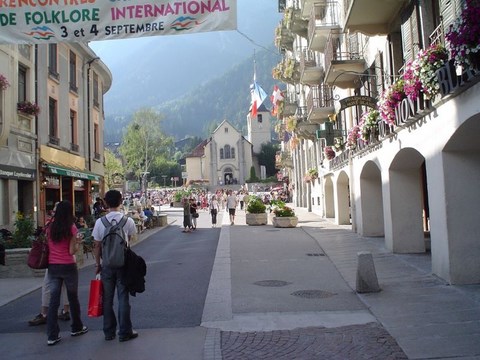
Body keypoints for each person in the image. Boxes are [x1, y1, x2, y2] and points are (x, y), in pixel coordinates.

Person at [92, 190, 138, 342]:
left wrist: (98, 264)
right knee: (123, 297)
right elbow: (131, 240)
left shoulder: (100, 222)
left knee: (107, 299)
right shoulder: (127, 221)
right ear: (121, 201)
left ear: (105, 202)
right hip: (123, 264)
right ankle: (125, 332)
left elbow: (97, 245)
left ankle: (108, 332)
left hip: (107, 265)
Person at [46, 200, 88, 346]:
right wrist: (78, 242)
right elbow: (72, 251)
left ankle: (52, 335)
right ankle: (76, 327)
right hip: (68, 266)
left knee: (53, 301)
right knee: (72, 298)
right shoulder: (71, 228)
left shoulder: (50, 227)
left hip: (53, 266)